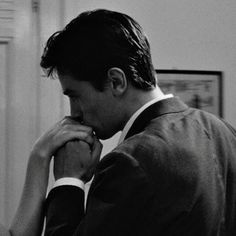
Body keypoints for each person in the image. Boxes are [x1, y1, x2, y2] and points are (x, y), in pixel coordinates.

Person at [2, 8, 236, 236]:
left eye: (75, 95)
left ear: (116, 81)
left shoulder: (130, 161)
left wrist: (68, 179)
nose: (74, 113)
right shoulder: (223, 132)